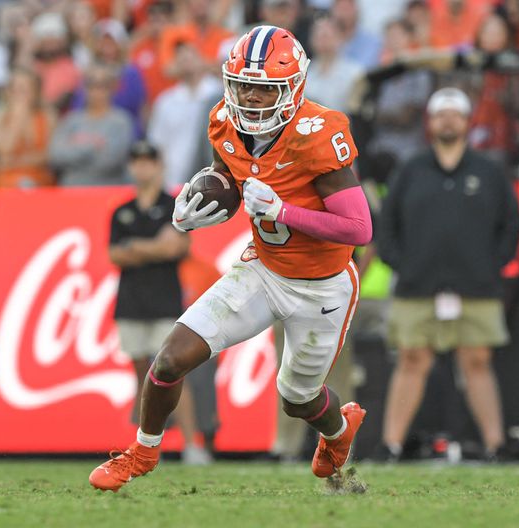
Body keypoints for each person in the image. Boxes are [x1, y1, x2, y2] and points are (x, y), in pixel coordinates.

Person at [89, 25, 373, 492]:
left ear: (292, 86)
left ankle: (338, 435)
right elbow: (232, 182)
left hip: (323, 285)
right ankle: (141, 452)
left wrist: (285, 211)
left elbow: (359, 229)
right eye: (243, 85)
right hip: (262, 268)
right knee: (168, 360)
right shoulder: (223, 120)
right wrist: (195, 209)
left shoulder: (317, 133)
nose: (251, 98)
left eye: (263, 89)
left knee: (297, 399)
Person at [376, 87, 519, 460]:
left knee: (477, 362)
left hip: (476, 287)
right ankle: (390, 444)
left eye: (455, 114)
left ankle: (495, 445)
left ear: (467, 121)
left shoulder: (488, 171)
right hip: (417, 287)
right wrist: (402, 264)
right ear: (430, 121)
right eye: (441, 114)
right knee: (412, 360)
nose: (448, 120)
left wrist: (491, 264)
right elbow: (386, 224)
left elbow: (512, 225)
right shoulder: (410, 170)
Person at [108, 141, 212, 466]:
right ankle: (148, 446)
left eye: (148, 161)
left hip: (165, 300)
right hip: (132, 301)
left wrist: (136, 248)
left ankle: (192, 443)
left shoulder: (174, 205)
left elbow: (176, 248)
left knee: (170, 371)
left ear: (159, 165)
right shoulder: (121, 210)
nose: (142, 167)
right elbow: (115, 255)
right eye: (137, 161)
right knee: (142, 374)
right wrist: (154, 246)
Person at [147, 40, 222, 189]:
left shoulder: (219, 94)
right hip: (175, 178)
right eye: (181, 59)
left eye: (190, 57)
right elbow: (157, 142)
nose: (187, 63)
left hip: (213, 178)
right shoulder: (166, 102)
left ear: (201, 60)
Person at [48, 63, 133, 186]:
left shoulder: (121, 121)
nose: (96, 90)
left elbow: (111, 161)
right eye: (91, 84)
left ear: (113, 87)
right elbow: (55, 156)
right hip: (72, 192)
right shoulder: (70, 120)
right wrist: (93, 147)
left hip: (108, 191)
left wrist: (75, 152)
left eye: (103, 85)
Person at [0, 67, 56, 188]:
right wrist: (18, 118)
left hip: (40, 181)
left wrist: (15, 161)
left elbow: (49, 155)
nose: (17, 94)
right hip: (7, 183)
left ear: (35, 92)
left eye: (23, 89)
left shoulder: (47, 117)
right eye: (13, 89)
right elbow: (5, 149)